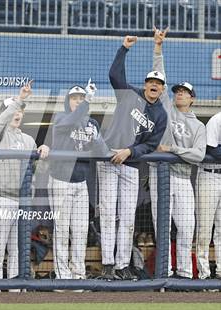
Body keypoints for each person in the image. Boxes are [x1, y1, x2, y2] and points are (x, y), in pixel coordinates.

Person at [98, 35, 168, 280]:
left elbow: (151, 144)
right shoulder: (129, 94)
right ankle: (107, 264)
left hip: (130, 164)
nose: (153, 85)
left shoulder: (161, 115)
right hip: (109, 159)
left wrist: (130, 151)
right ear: (145, 83)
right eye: (150, 81)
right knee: (108, 213)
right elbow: (114, 75)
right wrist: (124, 49)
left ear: (161, 89)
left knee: (127, 217)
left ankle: (122, 265)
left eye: (157, 83)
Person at [149, 27, 206, 279]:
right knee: (161, 226)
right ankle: (165, 271)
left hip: (183, 178)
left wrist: (172, 148)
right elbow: (159, 75)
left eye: (184, 92)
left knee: (186, 228)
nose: (179, 93)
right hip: (161, 175)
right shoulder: (166, 109)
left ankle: (183, 273)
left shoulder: (198, 125)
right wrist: (158, 47)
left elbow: (199, 155)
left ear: (192, 98)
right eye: (177, 91)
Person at [0, 81, 49, 285]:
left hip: (20, 200)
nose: (17, 113)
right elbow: (0, 121)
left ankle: (13, 291)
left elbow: (36, 172)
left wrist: (43, 152)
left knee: (16, 247)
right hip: (0, 197)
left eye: (20, 110)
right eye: (12, 109)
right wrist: (19, 99)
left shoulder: (29, 140)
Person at [49, 81, 107, 281]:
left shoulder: (92, 124)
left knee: (81, 232)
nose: (78, 101)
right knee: (62, 231)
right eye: (74, 98)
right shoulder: (61, 117)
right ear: (68, 101)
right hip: (61, 180)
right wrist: (87, 103)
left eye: (81, 98)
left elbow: (101, 152)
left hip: (81, 183)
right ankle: (62, 276)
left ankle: (78, 275)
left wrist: (97, 138)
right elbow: (72, 121)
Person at [196, 114, 221, 280]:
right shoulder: (216, 119)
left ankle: (220, 272)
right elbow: (213, 149)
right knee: (204, 229)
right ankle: (204, 274)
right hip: (209, 175)